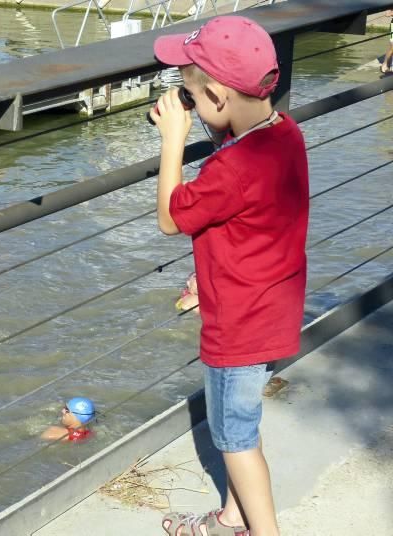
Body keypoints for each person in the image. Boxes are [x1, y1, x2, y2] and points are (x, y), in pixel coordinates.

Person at [150, 16, 308, 536]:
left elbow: (172, 218)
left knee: (234, 438)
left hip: (237, 326)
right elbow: (247, 221)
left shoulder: (230, 170)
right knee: (244, 422)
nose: (187, 107)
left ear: (217, 99)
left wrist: (174, 138)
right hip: (273, 307)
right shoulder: (284, 133)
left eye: (190, 98)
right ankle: (231, 517)